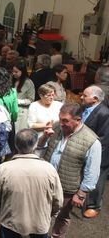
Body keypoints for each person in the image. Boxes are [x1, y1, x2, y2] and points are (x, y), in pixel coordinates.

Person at [39, 102, 101, 237]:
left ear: (78, 120)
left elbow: (92, 171)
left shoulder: (91, 141)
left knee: (62, 217)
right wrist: (44, 137)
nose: (61, 123)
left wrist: (81, 194)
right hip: (46, 182)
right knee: (41, 212)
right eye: (60, 118)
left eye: (65, 120)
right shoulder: (56, 127)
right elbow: (39, 149)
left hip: (66, 187)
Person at [0, 129, 63, 238]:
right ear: (35, 145)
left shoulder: (4, 169)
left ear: (15, 145)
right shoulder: (49, 169)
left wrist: (0, 213)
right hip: (40, 222)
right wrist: (49, 214)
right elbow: (58, 201)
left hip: (11, 222)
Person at [80, 86, 109, 218]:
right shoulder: (84, 108)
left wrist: (94, 155)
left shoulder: (104, 113)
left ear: (95, 99)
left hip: (100, 153)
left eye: (85, 95)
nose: (81, 97)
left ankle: (94, 205)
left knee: (97, 178)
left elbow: (104, 138)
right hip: (84, 148)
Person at [27, 84, 63, 156]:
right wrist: (48, 125)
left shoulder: (59, 105)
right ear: (41, 96)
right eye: (48, 95)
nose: (51, 97)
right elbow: (31, 125)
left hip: (56, 138)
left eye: (53, 95)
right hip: (39, 139)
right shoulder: (34, 106)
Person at [12, 61, 35, 133]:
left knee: (18, 132)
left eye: (16, 72)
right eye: (13, 71)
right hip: (12, 109)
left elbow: (31, 99)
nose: (14, 73)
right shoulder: (14, 80)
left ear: (22, 71)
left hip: (21, 111)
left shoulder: (28, 82)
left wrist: (18, 101)